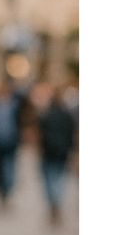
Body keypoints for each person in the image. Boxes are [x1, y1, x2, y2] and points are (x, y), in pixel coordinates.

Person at [34, 82, 77, 226]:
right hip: (62, 152)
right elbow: (73, 135)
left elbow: (39, 135)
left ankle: (53, 202)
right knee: (59, 179)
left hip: (49, 152)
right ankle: (56, 201)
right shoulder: (67, 116)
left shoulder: (45, 115)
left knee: (49, 180)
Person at [0, 80, 28, 208]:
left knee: (9, 167)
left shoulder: (15, 105)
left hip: (11, 141)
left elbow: (21, 120)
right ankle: (1, 191)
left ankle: (7, 190)